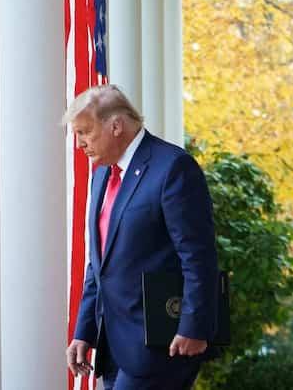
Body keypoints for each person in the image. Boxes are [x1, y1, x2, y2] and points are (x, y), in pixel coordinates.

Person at [63, 85, 218, 390]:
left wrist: (194, 326)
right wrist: (84, 331)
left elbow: (198, 256)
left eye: (85, 132)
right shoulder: (101, 175)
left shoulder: (173, 167)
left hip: (164, 342)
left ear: (116, 126)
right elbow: (100, 263)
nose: (80, 143)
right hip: (114, 347)